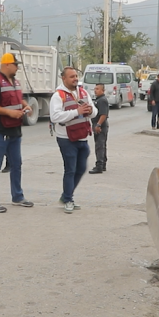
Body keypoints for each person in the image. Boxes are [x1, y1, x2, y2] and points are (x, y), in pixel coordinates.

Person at [0, 53, 34, 213]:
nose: (17, 67)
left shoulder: (15, 81)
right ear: (6, 65)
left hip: (14, 130)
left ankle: (17, 196)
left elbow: (17, 99)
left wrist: (26, 106)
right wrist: (9, 113)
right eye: (15, 64)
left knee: (16, 164)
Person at [49, 67, 97, 213]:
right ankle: (69, 199)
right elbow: (55, 117)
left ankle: (66, 195)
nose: (75, 79)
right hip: (66, 138)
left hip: (82, 137)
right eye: (71, 77)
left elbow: (94, 112)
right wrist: (77, 111)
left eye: (76, 76)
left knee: (81, 168)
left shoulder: (83, 92)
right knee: (70, 169)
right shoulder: (58, 96)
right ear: (63, 79)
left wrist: (90, 111)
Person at [89, 83, 109, 174]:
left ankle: (99, 166)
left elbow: (103, 114)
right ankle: (103, 164)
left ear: (102, 90)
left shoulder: (102, 100)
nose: (95, 90)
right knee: (101, 145)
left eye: (97, 89)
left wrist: (98, 125)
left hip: (101, 126)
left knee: (99, 146)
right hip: (98, 124)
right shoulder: (98, 99)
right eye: (95, 88)